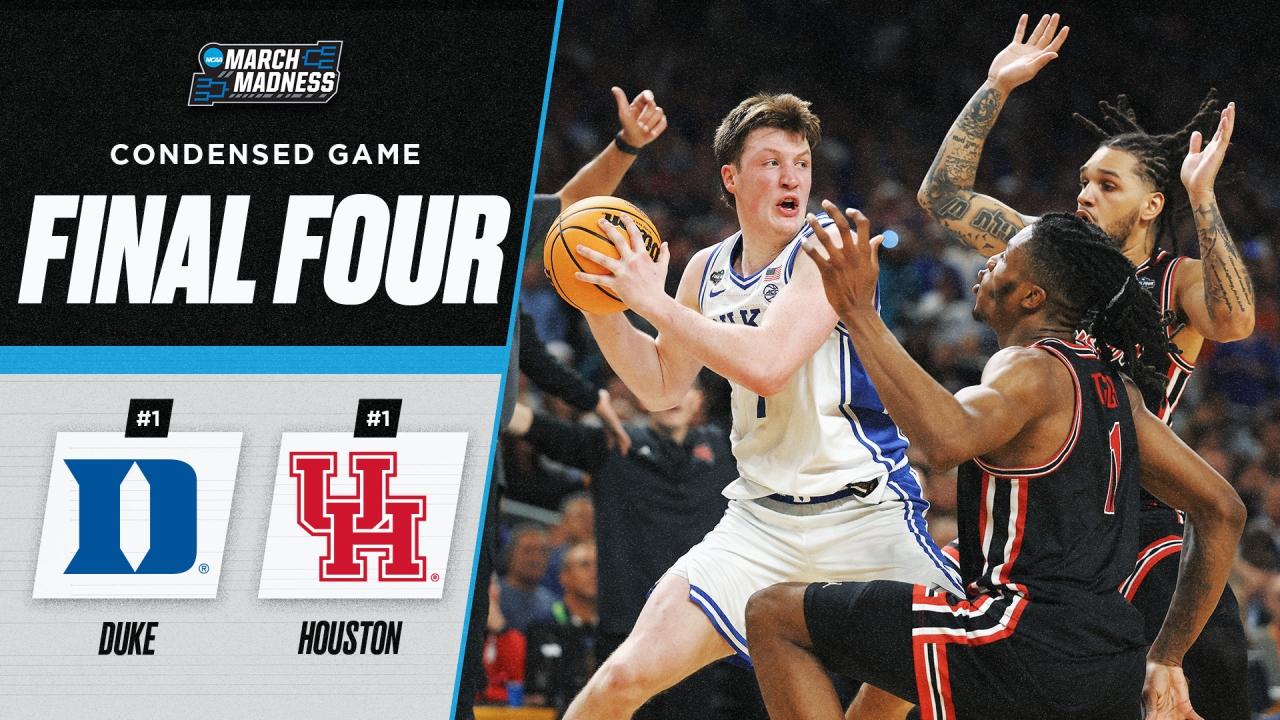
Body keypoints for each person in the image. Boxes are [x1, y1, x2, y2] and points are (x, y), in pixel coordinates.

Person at [746, 207, 1245, 720]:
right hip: (1109, 663)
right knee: (920, 617)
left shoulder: (1030, 366)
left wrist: (859, 313)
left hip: (1019, 640)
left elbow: (946, 440)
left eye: (1005, 257)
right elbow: (1223, 510)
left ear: (1032, 297)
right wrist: (1168, 655)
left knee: (773, 616)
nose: (987, 262)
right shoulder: (1117, 389)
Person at [562, 92, 963, 719]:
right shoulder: (705, 268)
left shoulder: (828, 251)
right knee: (620, 679)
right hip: (759, 524)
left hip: (865, 515)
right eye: (771, 162)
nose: (791, 178)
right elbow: (662, 386)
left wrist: (650, 300)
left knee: (956, 674)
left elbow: (768, 367)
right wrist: (601, 301)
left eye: (801, 163)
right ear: (731, 177)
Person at [914, 13, 1255, 718]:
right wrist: (995, 86)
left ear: (1151, 204)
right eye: (1083, 181)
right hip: (1036, 496)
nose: (1085, 194)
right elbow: (942, 197)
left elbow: (1235, 321)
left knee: (1210, 653)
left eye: (1107, 184)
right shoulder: (1043, 251)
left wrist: (1202, 198)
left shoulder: (1176, 280)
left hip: (1133, 503)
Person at [457, 85, 667, 720]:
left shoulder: (481, 228)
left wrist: (626, 144)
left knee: (462, 633)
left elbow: (571, 207)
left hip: (478, 470)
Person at [525, 541, 601, 710]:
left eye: (599, 565)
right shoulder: (544, 625)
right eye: (584, 565)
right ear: (564, 576)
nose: (594, 573)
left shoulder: (613, 628)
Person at [500, 524, 558, 633]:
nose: (536, 559)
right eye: (528, 551)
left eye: (543, 552)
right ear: (510, 555)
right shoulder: (493, 595)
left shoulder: (553, 604)